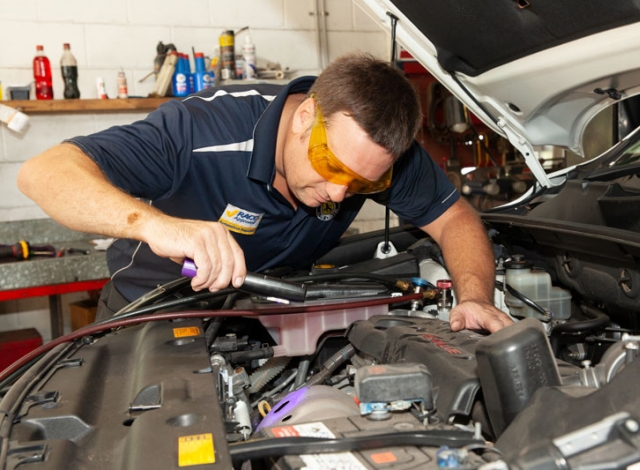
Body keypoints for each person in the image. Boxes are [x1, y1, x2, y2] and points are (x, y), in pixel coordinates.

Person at [17, 53, 513, 333]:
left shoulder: (380, 155)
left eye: (362, 184)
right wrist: (156, 226)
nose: (341, 193)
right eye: (329, 165)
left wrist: (475, 297)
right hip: (148, 314)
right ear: (303, 118)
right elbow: (44, 172)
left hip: (259, 314)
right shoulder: (202, 129)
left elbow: (454, 219)